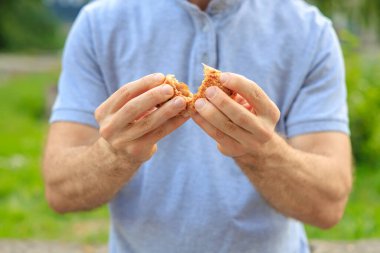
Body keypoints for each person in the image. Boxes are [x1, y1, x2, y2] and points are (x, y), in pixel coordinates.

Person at [43, 0, 352, 252]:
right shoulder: (98, 24)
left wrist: (262, 151)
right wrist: (115, 153)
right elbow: (60, 191)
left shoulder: (311, 31)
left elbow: (327, 206)